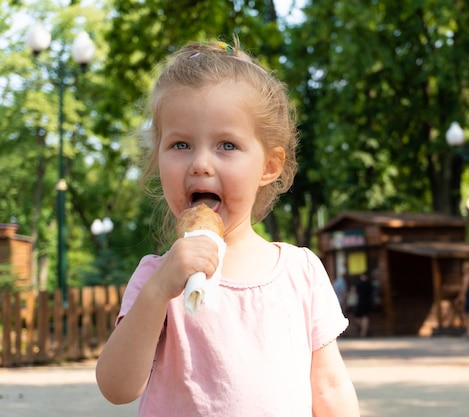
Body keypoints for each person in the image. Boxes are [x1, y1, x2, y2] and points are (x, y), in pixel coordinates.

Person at [96, 39, 360, 417]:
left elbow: (330, 386)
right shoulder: (156, 277)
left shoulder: (301, 272)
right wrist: (157, 293)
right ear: (157, 159)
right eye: (181, 144)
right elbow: (117, 388)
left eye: (227, 145)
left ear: (269, 165)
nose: (201, 164)